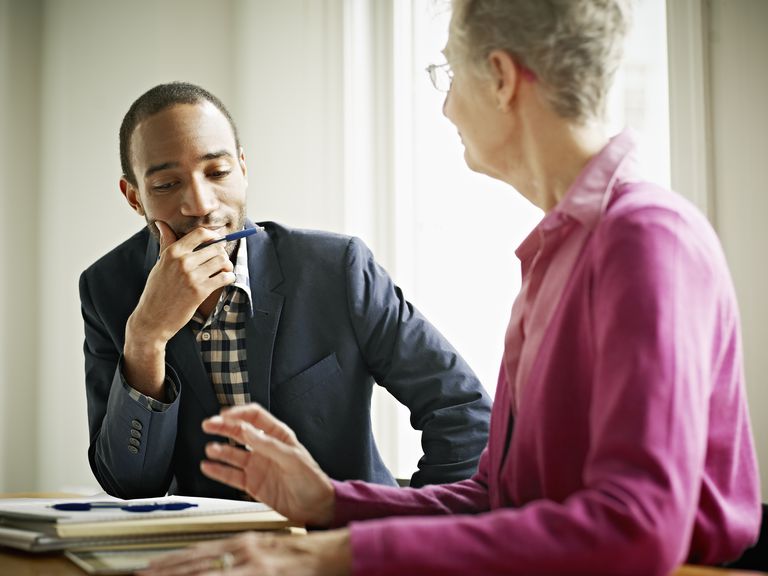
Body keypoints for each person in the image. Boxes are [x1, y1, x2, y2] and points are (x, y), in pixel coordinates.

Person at [140, 0, 763, 574]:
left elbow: (639, 528)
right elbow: (498, 498)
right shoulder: (557, 251)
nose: (445, 107)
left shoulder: (648, 240)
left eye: (449, 75)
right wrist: (330, 501)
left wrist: (335, 555)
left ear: (499, 77)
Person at [79, 82, 492, 500]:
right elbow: (129, 485)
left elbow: (465, 412)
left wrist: (411, 531)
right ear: (134, 196)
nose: (201, 204)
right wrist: (146, 338)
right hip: (216, 558)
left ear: (243, 167)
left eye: (218, 172)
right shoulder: (106, 289)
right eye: (167, 185)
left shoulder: (337, 269)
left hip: (340, 547)